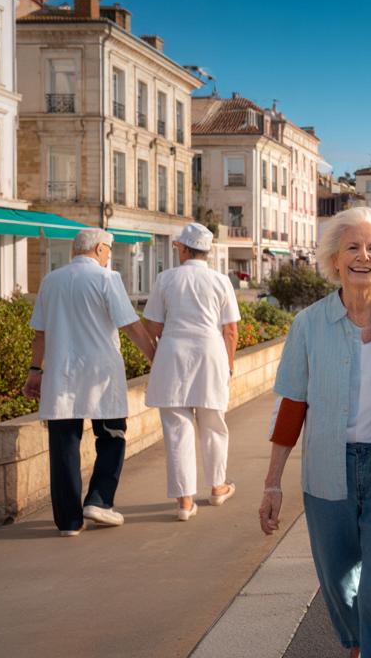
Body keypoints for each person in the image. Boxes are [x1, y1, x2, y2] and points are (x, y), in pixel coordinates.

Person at [260, 206, 371, 658]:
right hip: (328, 472)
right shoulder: (308, 325)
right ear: (333, 259)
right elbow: (293, 405)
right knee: (337, 583)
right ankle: (356, 643)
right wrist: (273, 482)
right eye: (351, 246)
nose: (362, 256)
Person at [23, 228, 156, 536]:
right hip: (101, 373)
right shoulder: (107, 279)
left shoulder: (50, 281)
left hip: (61, 373)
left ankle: (69, 522)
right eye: (108, 251)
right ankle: (99, 500)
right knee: (112, 436)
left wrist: (34, 371)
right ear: (99, 249)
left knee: (64, 446)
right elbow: (131, 326)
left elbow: (40, 333)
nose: (109, 256)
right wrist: (155, 358)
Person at [142, 223, 241, 521]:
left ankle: (185, 502)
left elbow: (152, 325)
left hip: (173, 354)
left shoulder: (166, 279)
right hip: (211, 355)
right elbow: (231, 330)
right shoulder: (221, 281)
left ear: (184, 248)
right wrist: (229, 364)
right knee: (213, 424)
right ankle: (217, 487)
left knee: (177, 429)